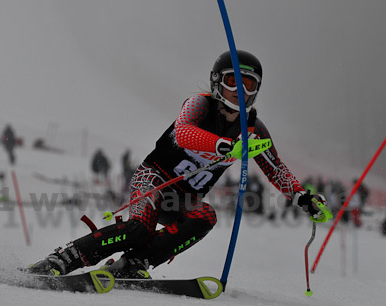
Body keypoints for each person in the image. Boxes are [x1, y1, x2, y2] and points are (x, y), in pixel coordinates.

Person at [26, 50, 332, 278]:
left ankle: (136, 263)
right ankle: (66, 258)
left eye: (249, 85)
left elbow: (274, 167)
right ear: (216, 82)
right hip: (155, 179)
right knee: (138, 229)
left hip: (183, 197)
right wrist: (224, 146)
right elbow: (184, 133)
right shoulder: (199, 105)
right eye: (232, 81)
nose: (240, 91)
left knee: (206, 215)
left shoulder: (252, 129)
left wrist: (302, 198)